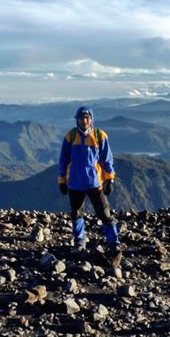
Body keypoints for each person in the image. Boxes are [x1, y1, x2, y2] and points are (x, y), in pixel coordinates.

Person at [58, 106, 120, 253]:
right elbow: (63, 160)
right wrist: (62, 181)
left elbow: (107, 160)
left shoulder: (100, 136)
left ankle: (114, 242)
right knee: (76, 214)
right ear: (77, 120)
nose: (84, 121)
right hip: (75, 183)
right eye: (81, 118)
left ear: (91, 119)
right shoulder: (70, 136)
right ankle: (79, 242)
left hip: (95, 183)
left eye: (87, 118)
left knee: (105, 214)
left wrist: (109, 179)